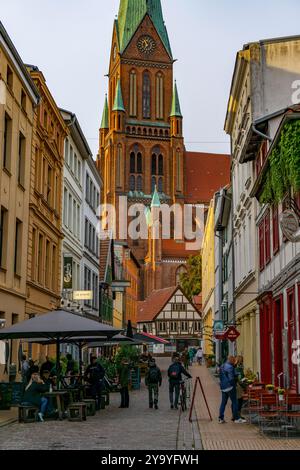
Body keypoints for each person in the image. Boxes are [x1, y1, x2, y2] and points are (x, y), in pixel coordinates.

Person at [218, 356, 246, 424]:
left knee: (223, 403)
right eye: (233, 361)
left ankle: (220, 418)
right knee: (235, 402)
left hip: (223, 387)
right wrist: (235, 379)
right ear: (231, 360)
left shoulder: (222, 366)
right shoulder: (230, 367)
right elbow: (231, 378)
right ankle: (236, 418)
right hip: (230, 387)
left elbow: (220, 376)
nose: (234, 362)